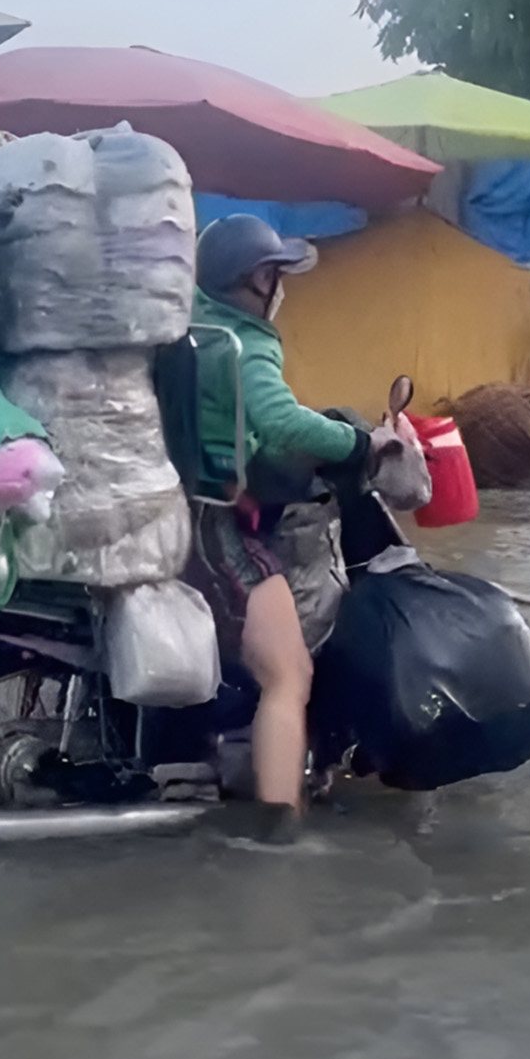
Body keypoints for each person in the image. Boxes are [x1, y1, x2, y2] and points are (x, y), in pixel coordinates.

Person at [185, 214, 374, 823]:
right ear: (259, 280)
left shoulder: (184, 321)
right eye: (277, 275)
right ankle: (280, 831)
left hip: (163, 505)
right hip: (212, 523)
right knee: (289, 673)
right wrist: (359, 444)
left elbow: (230, 422)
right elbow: (282, 422)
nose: (283, 288)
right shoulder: (245, 341)